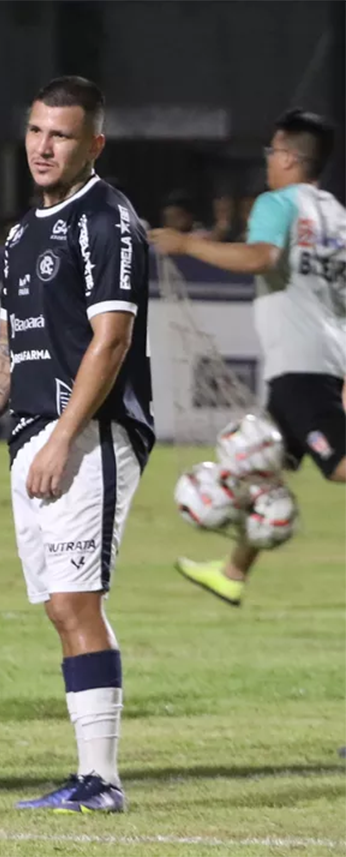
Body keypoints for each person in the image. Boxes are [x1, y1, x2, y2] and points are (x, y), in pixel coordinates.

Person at [0, 76, 153, 813]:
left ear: (92, 143)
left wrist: (65, 436)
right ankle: (88, 775)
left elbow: (112, 338)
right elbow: (7, 345)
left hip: (86, 434)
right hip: (31, 431)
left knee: (75, 598)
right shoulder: (25, 231)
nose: (42, 146)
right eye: (35, 131)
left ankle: (101, 781)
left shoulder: (108, 220)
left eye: (59, 135)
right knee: (60, 608)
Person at [149, 109, 345, 605]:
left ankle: (235, 568)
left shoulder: (277, 204)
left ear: (286, 156)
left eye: (270, 153)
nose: (267, 163)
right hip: (327, 359)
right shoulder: (338, 218)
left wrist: (186, 245)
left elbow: (260, 257)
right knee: (260, 464)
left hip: (300, 366)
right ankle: (234, 573)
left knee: (339, 465)